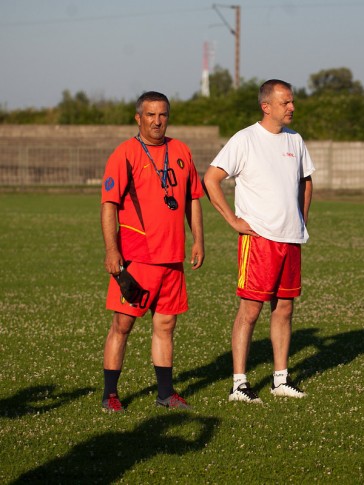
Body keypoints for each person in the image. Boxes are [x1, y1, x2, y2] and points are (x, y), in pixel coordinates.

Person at [203, 79, 314, 404]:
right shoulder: (245, 139)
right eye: (286, 103)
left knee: (284, 309)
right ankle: (239, 384)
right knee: (250, 310)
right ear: (266, 106)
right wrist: (233, 220)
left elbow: (306, 182)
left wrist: (301, 218)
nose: (292, 107)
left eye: (292, 102)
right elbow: (211, 178)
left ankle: (281, 379)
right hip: (259, 240)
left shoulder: (296, 140)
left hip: (290, 239)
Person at [100, 91, 205, 412]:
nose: (157, 121)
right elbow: (109, 205)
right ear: (138, 118)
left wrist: (198, 239)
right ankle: (110, 395)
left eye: (162, 115)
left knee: (166, 326)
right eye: (150, 115)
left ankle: (165, 393)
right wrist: (111, 250)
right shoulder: (125, 154)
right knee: (122, 325)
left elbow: (193, 199)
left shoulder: (181, 150)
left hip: (172, 259)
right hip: (137, 259)